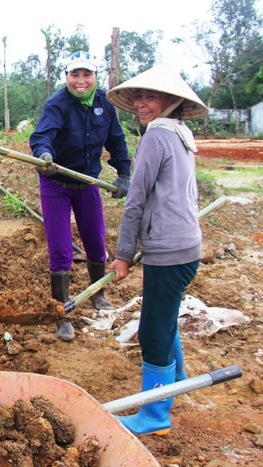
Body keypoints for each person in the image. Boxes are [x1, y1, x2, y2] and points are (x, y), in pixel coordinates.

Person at [106, 64, 209, 436]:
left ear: (170, 101)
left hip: (169, 250)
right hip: (186, 245)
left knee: (151, 332)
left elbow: (136, 200)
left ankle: (155, 414)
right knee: (163, 320)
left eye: (150, 96)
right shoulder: (182, 134)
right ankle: (177, 377)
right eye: (138, 97)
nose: (140, 103)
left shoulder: (156, 136)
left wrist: (121, 254)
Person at [30, 51, 132, 342]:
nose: (80, 81)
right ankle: (61, 314)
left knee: (96, 242)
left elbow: (116, 140)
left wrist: (123, 172)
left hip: (87, 182)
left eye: (86, 74)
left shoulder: (104, 104)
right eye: (75, 74)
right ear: (66, 77)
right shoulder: (57, 104)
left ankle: (98, 293)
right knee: (61, 249)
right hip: (56, 183)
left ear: (95, 76)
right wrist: (44, 154)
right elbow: (42, 136)